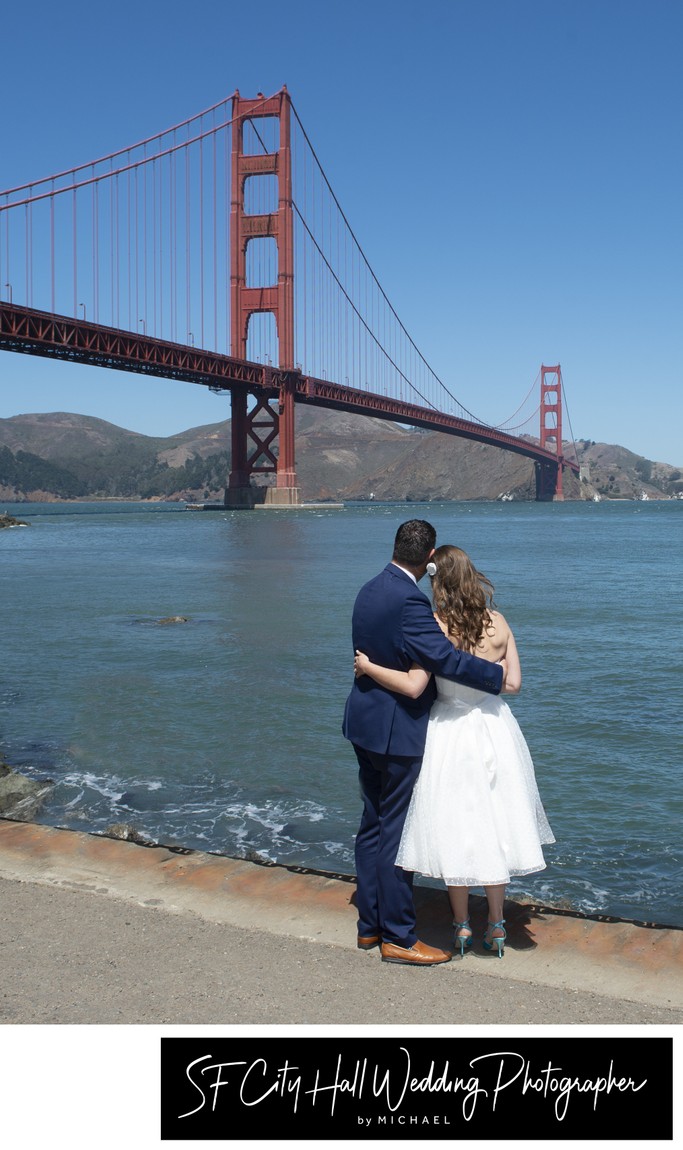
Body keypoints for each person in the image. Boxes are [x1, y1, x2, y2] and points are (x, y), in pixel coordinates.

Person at [353, 544, 555, 960]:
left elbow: (413, 685)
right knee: (497, 824)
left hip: (448, 732)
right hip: (495, 730)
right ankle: (496, 925)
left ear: (437, 581)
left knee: (455, 825)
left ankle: (460, 924)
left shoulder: (436, 626)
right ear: (473, 576)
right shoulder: (499, 623)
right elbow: (513, 685)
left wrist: (369, 667)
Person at [342, 521, 504, 966]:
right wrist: (495, 677)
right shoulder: (410, 601)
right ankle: (398, 937)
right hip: (398, 733)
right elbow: (444, 658)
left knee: (372, 825)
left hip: (364, 725)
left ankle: (369, 927)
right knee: (397, 833)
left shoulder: (369, 590)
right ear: (429, 556)